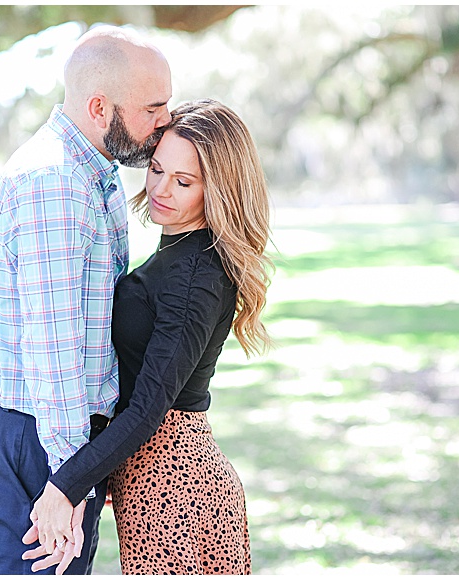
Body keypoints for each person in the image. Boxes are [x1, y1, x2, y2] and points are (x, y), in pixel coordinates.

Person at [22, 98, 273, 575]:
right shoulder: (183, 250)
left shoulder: (195, 274)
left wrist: (67, 484)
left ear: (217, 190)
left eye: (184, 182)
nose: (161, 189)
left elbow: (149, 408)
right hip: (156, 478)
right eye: (157, 169)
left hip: (175, 488)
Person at [0, 25, 172, 575]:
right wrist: (67, 478)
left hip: (52, 434)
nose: (165, 122)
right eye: (153, 108)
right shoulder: (55, 184)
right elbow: (55, 350)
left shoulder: (91, 172)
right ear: (101, 107)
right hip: (36, 436)